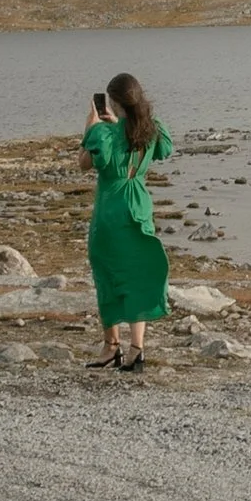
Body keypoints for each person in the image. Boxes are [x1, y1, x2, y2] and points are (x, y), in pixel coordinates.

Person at [81, 75, 171, 374]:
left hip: (112, 209)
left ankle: (111, 346)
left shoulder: (103, 134)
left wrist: (92, 125)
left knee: (107, 273)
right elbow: (164, 148)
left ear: (114, 102)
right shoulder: (150, 129)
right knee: (136, 273)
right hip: (140, 203)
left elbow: (85, 162)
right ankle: (137, 348)